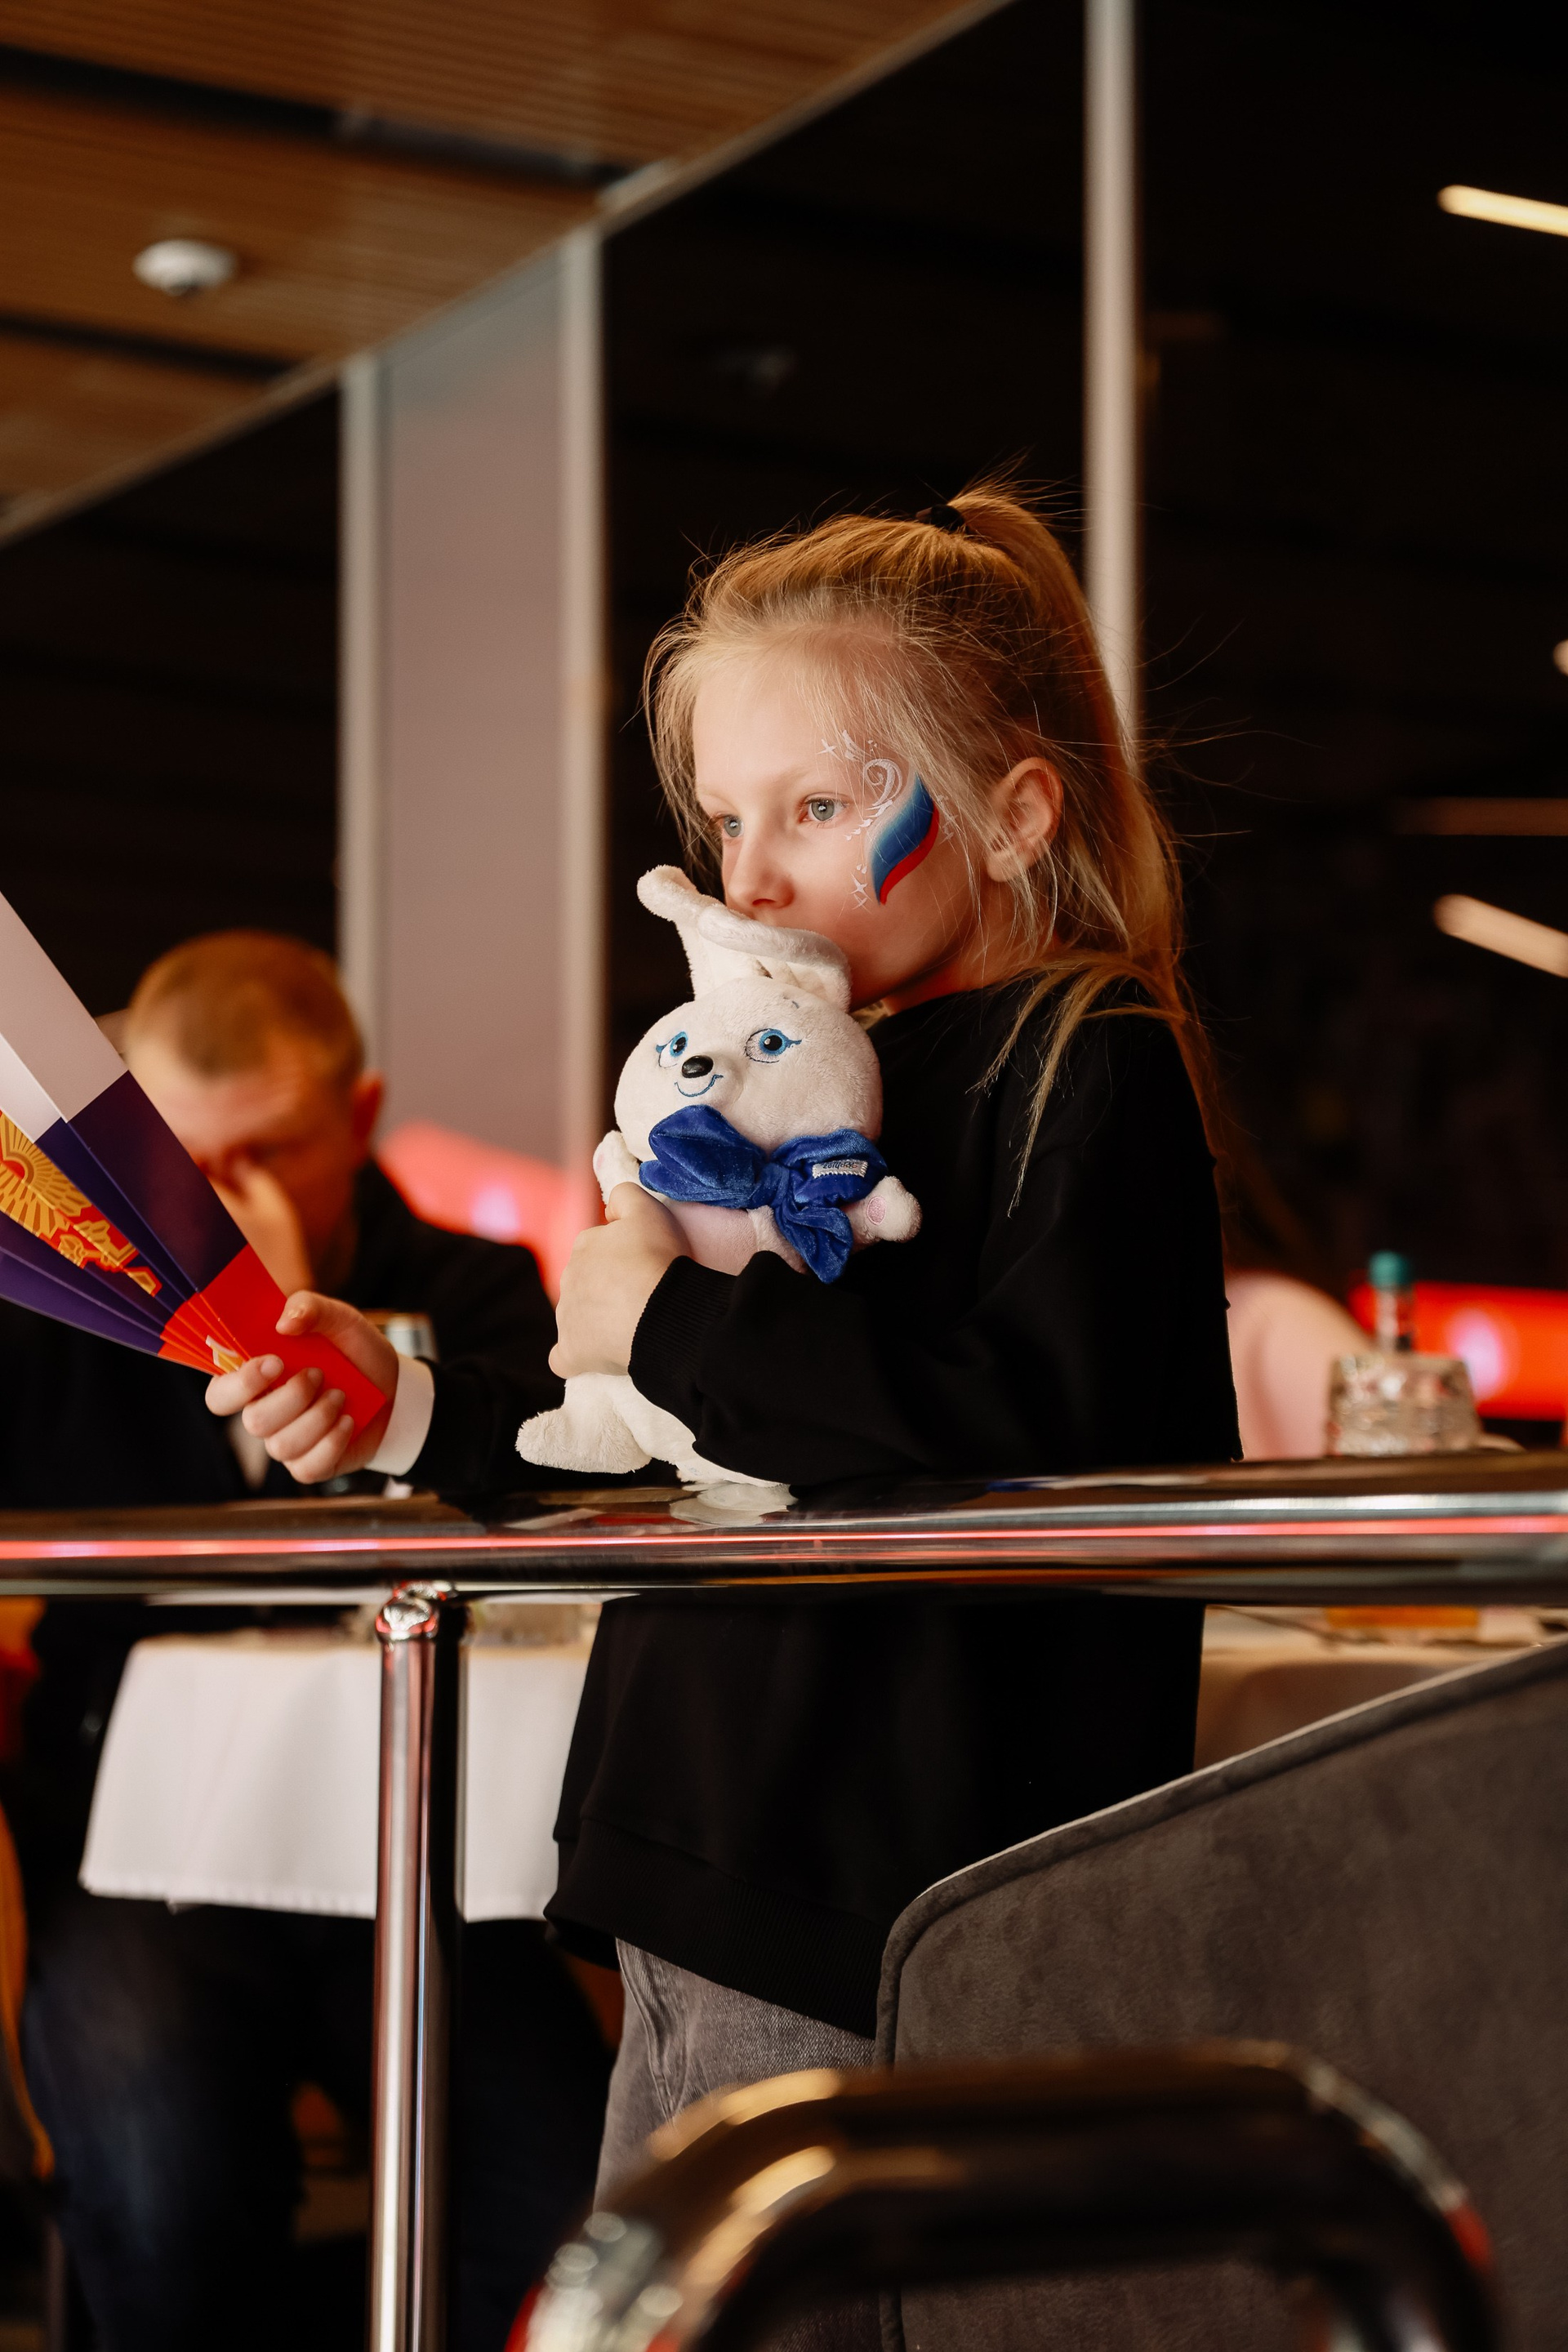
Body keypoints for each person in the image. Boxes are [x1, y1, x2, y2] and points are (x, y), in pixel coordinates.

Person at [212, 491, 1241, 2275]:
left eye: (820, 809)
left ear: (1014, 814)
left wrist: (669, 1320)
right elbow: (654, 1424)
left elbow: (1010, 1432)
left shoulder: (1087, 1060)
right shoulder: (786, 1073)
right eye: (726, 818)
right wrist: (402, 1403)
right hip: (706, 1845)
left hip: (891, 1881)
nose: (751, 875)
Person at [5, 933, 609, 2352]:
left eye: (266, 1151)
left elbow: (524, 1529)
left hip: (420, 1852)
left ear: (357, 1117)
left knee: (569, 2212)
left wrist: (287, 1341)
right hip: (141, 1851)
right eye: (181, 1158)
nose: (217, 1193)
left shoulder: (472, 1290)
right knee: (162, 2185)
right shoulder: (64, 1320)